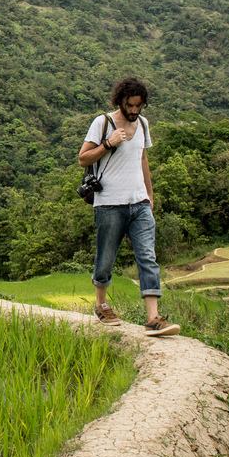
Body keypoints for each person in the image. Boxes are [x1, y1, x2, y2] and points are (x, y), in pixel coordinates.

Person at [77, 77, 180, 337]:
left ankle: (153, 317)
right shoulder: (103, 123)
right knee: (106, 258)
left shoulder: (143, 124)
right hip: (110, 204)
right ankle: (101, 304)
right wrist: (108, 143)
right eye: (130, 105)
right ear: (120, 101)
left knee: (147, 256)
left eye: (139, 106)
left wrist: (149, 194)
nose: (134, 111)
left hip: (139, 203)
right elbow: (83, 158)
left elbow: (142, 158)